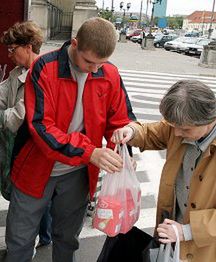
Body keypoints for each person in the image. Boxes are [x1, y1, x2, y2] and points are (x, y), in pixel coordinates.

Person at [5, 17, 135, 262]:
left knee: (67, 238)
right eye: (89, 61)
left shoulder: (109, 72)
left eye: (102, 63)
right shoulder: (45, 67)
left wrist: (124, 146)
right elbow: (42, 127)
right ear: (74, 44)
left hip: (78, 173)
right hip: (36, 166)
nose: (95, 69)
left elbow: (119, 119)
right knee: (20, 239)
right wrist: (91, 153)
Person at [111, 80, 216, 262]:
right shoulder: (179, 126)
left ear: (209, 120)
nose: (176, 134)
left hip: (206, 245)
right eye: (173, 126)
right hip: (171, 233)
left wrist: (188, 231)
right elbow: (152, 132)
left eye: (184, 129)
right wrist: (132, 131)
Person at [0, 21, 51, 255]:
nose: (9, 54)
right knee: (36, 202)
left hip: (33, 152)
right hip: (19, 150)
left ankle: (33, 243)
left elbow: (15, 118)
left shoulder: (39, 76)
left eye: (13, 49)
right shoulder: (16, 73)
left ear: (28, 46)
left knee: (30, 203)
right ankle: (43, 236)